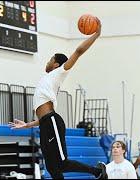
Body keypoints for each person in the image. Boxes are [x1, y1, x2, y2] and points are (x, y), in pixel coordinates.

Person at [9, 17, 108, 179]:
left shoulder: (59, 72)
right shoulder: (47, 80)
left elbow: (78, 51)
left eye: (50, 60)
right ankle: (96, 172)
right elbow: (42, 115)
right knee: (52, 168)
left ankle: (98, 172)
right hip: (46, 123)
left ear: (56, 64)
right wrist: (27, 125)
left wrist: (96, 35)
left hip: (52, 121)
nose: (47, 62)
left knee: (61, 163)